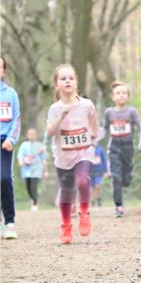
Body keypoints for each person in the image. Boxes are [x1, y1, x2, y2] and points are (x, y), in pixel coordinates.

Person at [46, 63, 99, 244]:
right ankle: (66, 224)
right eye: (63, 78)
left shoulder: (86, 104)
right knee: (66, 192)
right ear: (56, 85)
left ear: (76, 82)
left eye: (71, 78)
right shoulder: (54, 109)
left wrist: (93, 137)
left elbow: (94, 123)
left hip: (84, 152)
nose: (68, 81)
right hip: (63, 156)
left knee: (83, 180)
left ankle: (84, 211)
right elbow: (50, 132)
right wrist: (61, 116)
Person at [102, 81, 141, 218]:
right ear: (113, 97)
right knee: (116, 177)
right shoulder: (108, 112)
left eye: (124, 93)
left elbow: (140, 128)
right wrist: (93, 139)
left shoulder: (132, 111)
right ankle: (119, 206)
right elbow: (104, 129)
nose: (121, 96)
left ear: (127, 96)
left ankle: (128, 176)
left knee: (125, 180)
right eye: (118, 93)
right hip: (114, 146)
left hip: (128, 147)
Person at [0, 56, 21, 239]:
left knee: (5, 178)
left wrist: (11, 139)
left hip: (4, 143)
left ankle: (9, 222)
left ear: (3, 71)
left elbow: (16, 119)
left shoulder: (10, 94)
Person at [17, 127, 48, 211]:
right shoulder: (24, 145)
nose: (32, 136)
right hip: (26, 170)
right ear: (27, 135)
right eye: (30, 134)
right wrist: (20, 162)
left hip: (37, 169)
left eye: (33, 134)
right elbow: (20, 155)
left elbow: (44, 159)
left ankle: (35, 203)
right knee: (28, 187)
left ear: (36, 135)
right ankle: (32, 198)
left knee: (33, 186)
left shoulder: (40, 145)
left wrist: (46, 171)